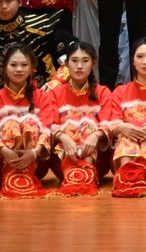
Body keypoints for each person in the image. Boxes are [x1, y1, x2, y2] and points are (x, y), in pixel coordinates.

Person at [0, 43, 49, 197]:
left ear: (32, 68)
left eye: (24, 65)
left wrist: (34, 153)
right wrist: (6, 152)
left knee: (29, 123)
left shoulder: (42, 97)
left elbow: (48, 127)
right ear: (4, 68)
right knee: (11, 123)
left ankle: (28, 173)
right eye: (13, 65)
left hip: (35, 163)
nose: (19, 69)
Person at [99, 36, 146, 197]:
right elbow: (110, 123)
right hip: (124, 151)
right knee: (126, 139)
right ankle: (127, 180)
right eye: (140, 56)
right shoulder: (120, 91)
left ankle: (138, 178)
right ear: (133, 61)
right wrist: (122, 128)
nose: (145, 62)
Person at [40, 40, 107, 194]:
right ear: (66, 64)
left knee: (87, 124)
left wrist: (96, 135)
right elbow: (48, 122)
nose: (79, 66)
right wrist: (63, 136)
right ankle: (75, 174)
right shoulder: (54, 93)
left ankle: (87, 172)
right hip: (63, 156)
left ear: (93, 63)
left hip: (96, 156)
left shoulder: (103, 92)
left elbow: (110, 121)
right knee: (70, 125)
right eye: (74, 61)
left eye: (85, 61)